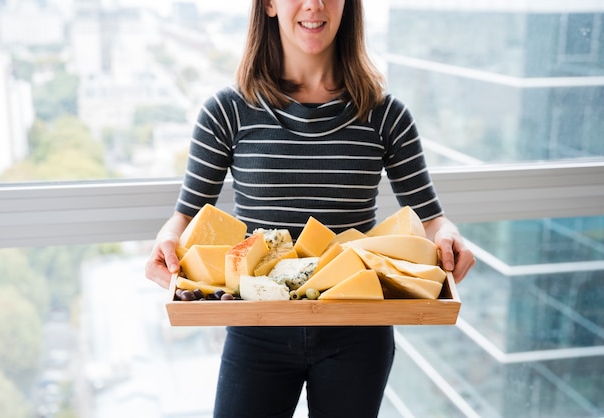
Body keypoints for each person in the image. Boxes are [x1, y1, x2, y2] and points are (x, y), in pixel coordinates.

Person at [145, 0, 476, 416]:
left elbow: (431, 219)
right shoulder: (225, 113)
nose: (315, 5)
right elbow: (187, 216)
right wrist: (169, 239)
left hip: (360, 332)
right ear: (268, 4)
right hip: (256, 327)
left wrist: (446, 235)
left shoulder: (386, 116)